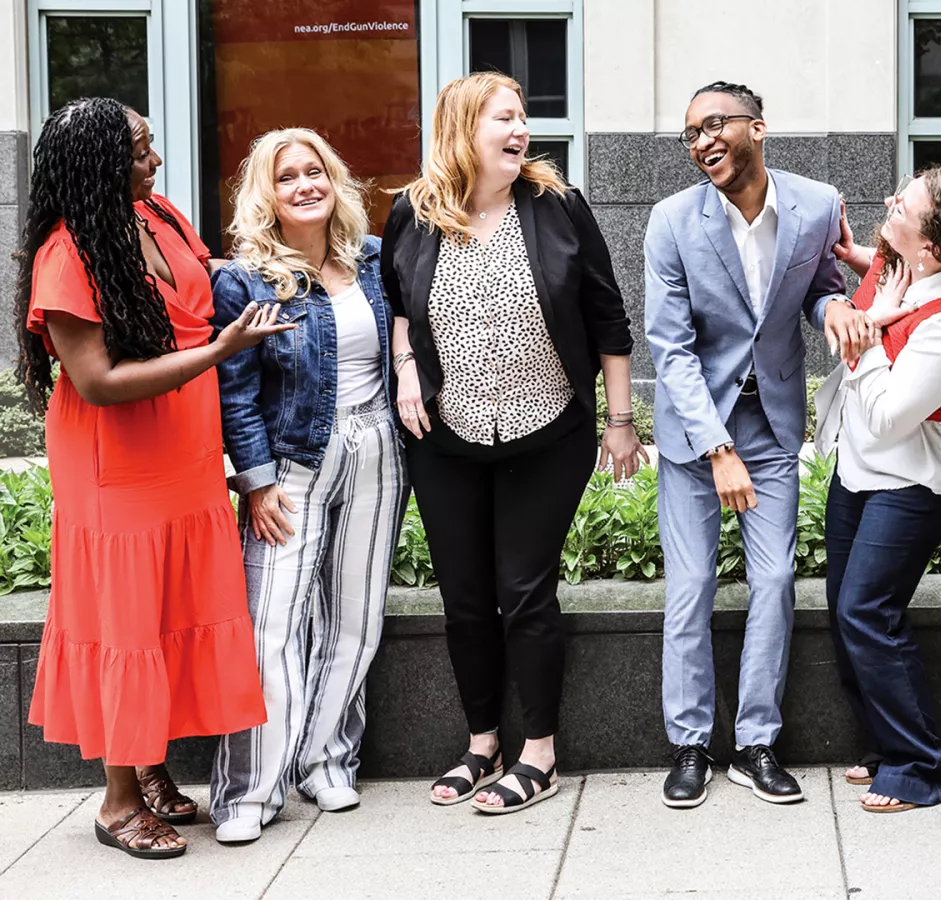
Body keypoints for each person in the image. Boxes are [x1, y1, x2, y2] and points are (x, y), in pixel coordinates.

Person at [13, 98, 283, 859]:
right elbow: (97, 381)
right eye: (140, 151)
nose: (155, 162)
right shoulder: (66, 255)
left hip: (183, 451)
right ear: (100, 164)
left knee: (169, 609)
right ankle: (118, 799)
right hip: (116, 464)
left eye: (152, 147)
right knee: (128, 621)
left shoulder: (157, 215)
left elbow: (203, 280)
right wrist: (219, 353)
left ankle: (155, 769)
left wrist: (283, 260)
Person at [383, 72, 646, 814]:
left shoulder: (557, 206)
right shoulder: (414, 211)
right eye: (505, 117)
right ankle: (480, 742)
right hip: (445, 433)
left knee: (524, 592)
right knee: (465, 598)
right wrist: (406, 369)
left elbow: (608, 318)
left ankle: (540, 752)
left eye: (523, 117)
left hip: (547, 430)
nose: (521, 129)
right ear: (463, 129)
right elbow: (399, 302)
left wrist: (620, 424)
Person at [644, 81, 875, 809]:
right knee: (691, 589)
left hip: (771, 423)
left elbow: (819, 286)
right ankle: (688, 744)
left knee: (774, 582)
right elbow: (670, 348)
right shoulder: (671, 220)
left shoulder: (817, 203)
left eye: (715, 125)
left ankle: (754, 744)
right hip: (695, 435)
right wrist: (716, 449)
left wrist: (834, 305)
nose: (702, 141)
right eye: (691, 134)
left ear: (759, 128)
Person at [208, 129, 407, 842]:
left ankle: (327, 760)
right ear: (268, 192)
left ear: (334, 180)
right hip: (291, 465)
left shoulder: (375, 259)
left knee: (355, 620)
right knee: (271, 626)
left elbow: (406, 335)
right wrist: (255, 484)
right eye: (287, 176)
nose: (304, 185)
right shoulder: (244, 278)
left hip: (377, 447)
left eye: (314, 171)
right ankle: (248, 793)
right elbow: (235, 393)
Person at [816, 165, 941, 813]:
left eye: (903, 205)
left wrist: (861, 334)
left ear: (931, 248)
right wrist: (854, 258)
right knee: (846, 605)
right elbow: (895, 277)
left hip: (919, 476)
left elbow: (893, 412)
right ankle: (884, 747)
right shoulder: (911, 263)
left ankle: (924, 764)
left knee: (869, 610)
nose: (890, 201)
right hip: (863, 466)